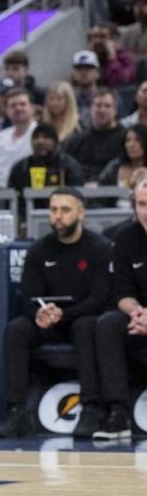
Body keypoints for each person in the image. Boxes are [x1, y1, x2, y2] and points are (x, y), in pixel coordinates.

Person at [0, 188, 112, 438]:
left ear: (81, 213)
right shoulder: (39, 250)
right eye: (54, 210)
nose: (58, 216)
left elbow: (99, 300)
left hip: (81, 318)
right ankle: (17, 412)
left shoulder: (99, 248)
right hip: (48, 322)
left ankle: (91, 409)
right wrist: (40, 314)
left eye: (65, 210)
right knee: (17, 329)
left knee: (87, 326)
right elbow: (29, 297)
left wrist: (63, 315)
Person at [93, 177, 147, 440]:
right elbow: (122, 292)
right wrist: (138, 313)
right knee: (107, 324)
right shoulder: (126, 238)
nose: (146, 211)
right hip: (139, 318)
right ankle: (118, 412)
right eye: (142, 204)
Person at [62, 88, 125, 180]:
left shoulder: (126, 139)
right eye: (98, 105)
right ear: (90, 109)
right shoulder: (76, 140)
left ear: (115, 110)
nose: (102, 110)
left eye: (107, 106)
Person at [0, 88, 37, 188]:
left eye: (22, 104)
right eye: (13, 105)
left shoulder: (41, 136)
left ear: (32, 108)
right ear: (7, 111)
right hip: (0, 194)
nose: (18, 108)